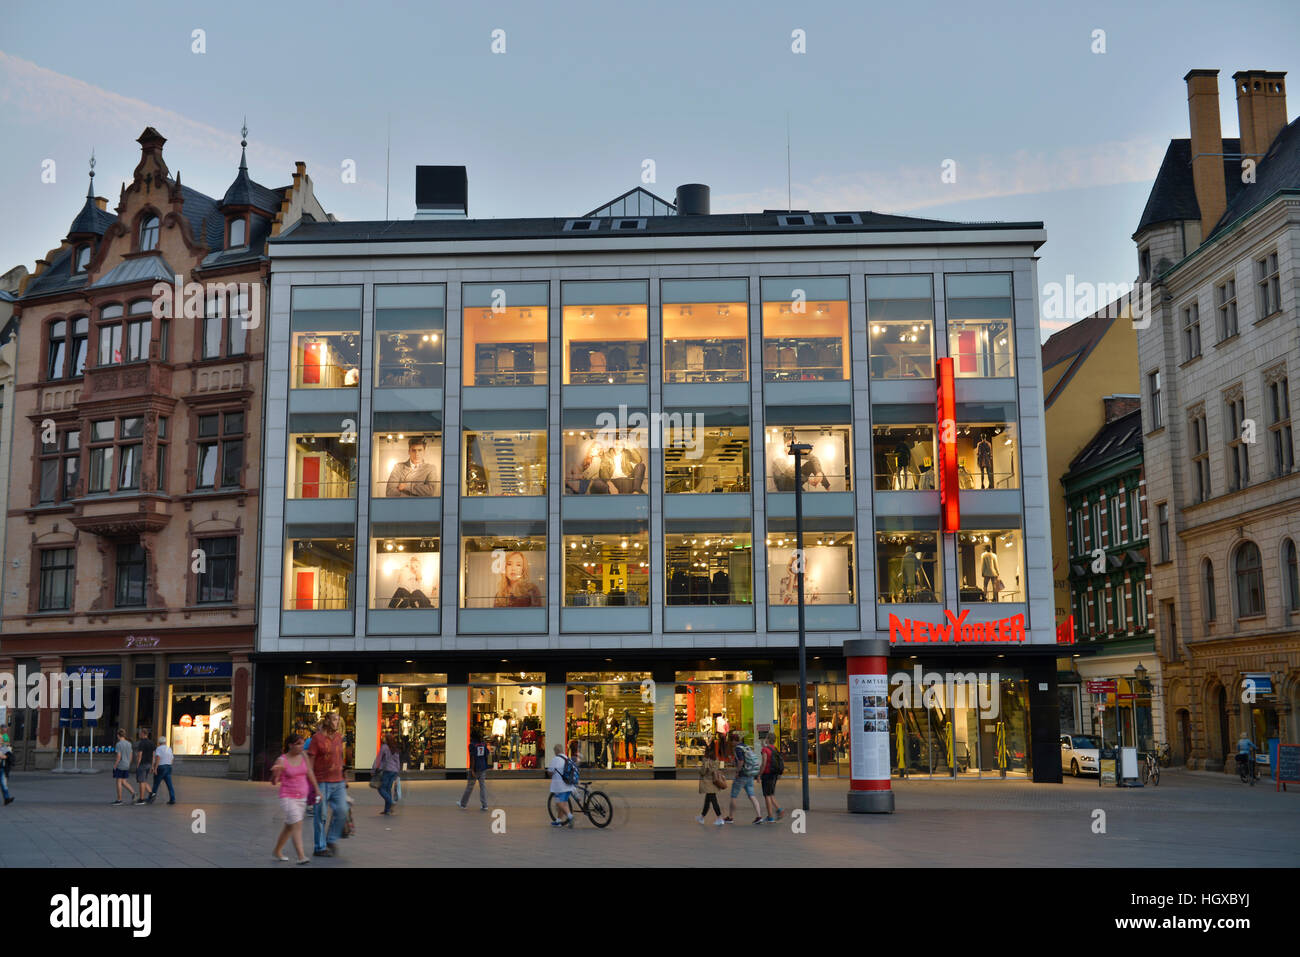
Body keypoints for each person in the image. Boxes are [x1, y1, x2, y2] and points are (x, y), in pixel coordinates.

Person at [271, 733, 318, 864]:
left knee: (289, 826)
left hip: (302, 797)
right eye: (298, 744)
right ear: (290, 745)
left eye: (302, 743)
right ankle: (301, 856)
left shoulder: (303, 756)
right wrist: (276, 772)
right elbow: (274, 782)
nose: (301, 746)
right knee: (297, 823)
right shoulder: (282, 760)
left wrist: (317, 790)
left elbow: (309, 772)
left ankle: (277, 851)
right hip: (287, 797)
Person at [307, 713, 348, 857]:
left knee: (343, 810)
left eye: (338, 719)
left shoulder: (338, 737)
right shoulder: (316, 739)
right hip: (321, 781)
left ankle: (331, 839)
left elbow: (340, 757)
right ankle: (319, 847)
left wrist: (345, 777)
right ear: (327, 720)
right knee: (321, 815)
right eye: (335, 719)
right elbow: (309, 764)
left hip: (338, 781)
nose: (337, 722)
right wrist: (313, 787)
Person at [724, 731, 765, 825]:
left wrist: (737, 772)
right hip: (750, 774)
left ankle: (730, 817)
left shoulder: (738, 749)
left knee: (734, 796)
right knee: (752, 795)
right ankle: (759, 816)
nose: (731, 743)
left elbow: (741, 761)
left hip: (742, 775)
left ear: (734, 741)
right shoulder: (745, 746)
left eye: (731, 741)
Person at [457, 728, 491, 810]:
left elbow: (472, 757)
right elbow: (487, 754)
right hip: (483, 767)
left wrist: (472, 769)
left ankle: (463, 804)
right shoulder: (483, 744)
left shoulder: (472, 745)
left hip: (475, 768)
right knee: (482, 786)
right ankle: (485, 805)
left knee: (470, 787)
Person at [696, 735, 726, 826]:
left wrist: (698, 768)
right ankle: (701, 817)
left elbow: (703, 771)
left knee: (713, 800)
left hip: (708, 782)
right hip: (714, 781)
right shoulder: (716, 759)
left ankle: (719, 818)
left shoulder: (706, 760)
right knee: (708, 800)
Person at [546, 742, 576, 828]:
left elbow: (550, 772)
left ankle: (570, 817)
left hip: (560, 786)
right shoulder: (567, 758)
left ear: (556, 751)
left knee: (559, 803)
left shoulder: (555, 759)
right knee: (564, 803)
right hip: (568, 784)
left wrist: (550, 775)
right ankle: (558, 821)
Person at [372, 733, 401, 815]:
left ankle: (391, 802)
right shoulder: (395, 748)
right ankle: (387, 810)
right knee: (388, 790)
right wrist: (397, 771)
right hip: (394, 771)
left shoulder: (384, 747)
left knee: (381, 789)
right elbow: (397, 761)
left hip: (387, 771)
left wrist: (373, 770)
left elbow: (378, 759)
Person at [759, 732, 785, 822]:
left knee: (767, 795)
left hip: (767, 774)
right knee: (771, 794)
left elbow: (764, 763)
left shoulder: (765, 750)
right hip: (774, 774)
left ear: (767, 739)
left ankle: (770, 816)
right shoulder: (775, 749)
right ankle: (779, 810)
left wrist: (759, 775)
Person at [111, 728, 137, 806]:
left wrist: (115, 765)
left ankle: (119, 799)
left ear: (118, 735)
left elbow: (118, 756)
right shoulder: (129, 744)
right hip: (127, 764)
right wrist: (129, 763)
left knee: (118, 782)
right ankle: (134, 793)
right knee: (124, 781)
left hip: (121, 764)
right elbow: (131, 755)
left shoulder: (119, 744)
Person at [130, 728, 155, 805]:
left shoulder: (141, 743)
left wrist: (137, 765)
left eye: (140, 733)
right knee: (144, 780)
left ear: (143, 734)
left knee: (141, 781)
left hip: (142, 764)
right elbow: (154, 755)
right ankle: (151, 793)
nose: (139, 735)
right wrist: (152, 765)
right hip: (149, 764)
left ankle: (141, 799)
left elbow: (140, 755)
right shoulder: (151, 743)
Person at [148, 736, 176, 805]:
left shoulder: (159, 748)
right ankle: (172, 799)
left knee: (156, 784)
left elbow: (158, 758)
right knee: (169, 784)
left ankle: (151, 799)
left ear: (159, 742)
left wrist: (155, 768)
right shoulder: (169, 748)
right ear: (165, 742)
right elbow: (172, 758)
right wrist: (169, 764)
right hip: (168, 767)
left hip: (161, 767)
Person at [0, 730, 13, 806]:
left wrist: (5, 756)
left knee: (3, 784)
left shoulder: (5, 748)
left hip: (2, 768)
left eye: (1, 739)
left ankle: (7, 799)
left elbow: (11, 757)